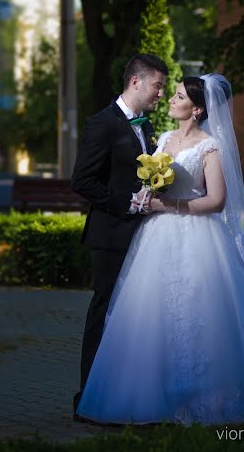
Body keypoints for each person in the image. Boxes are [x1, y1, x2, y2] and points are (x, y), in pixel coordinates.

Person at [76, 73, 244, 426]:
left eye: (178, 95)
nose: (170, 99)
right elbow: (150, 181)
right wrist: (146, 195)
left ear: (196, 109)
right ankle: (155, 397)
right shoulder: (163, 138)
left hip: (198, 236)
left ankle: (207, 398)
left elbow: (216, 201)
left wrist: (170, 207)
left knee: (200, 311)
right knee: (152, 313)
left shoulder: (210, 146)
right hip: (156, 236)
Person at [70, 53, 168, 417]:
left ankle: (123, 395)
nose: (161, 93)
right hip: (110, 236)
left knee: (133, 319)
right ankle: (88, 400)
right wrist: (128, 202)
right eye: (157, 86)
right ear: (136, 82)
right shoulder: (103, 123)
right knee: (105, 315)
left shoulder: (144, 125)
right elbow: (82, 181)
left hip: (142, 236)